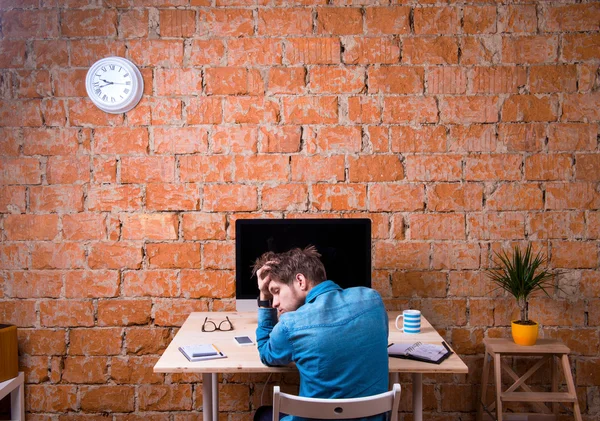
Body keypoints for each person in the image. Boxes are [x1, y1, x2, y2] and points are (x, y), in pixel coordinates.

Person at [253, 246, 389, 421]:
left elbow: (266, 353)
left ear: (300, 281)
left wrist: (263, 298)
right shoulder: (373, 300)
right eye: (271, 296)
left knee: (263, 414)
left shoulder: (290, 325)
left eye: (276, 291)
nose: (275, 303)